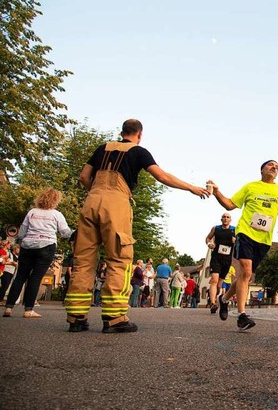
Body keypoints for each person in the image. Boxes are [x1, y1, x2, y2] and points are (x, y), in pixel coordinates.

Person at [64, 119, 209, 333]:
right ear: (139, 134)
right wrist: (191, 188)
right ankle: (114, 317)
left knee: (83, 260)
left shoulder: (102, 148)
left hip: (91, 201)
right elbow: (161, 176)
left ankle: (76, 317)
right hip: (116, 203)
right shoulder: (139, 151)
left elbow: (85, 176)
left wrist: (95, 195)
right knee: (118, 260)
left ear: (122, 132)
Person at [208, 159, 278, 331]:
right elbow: (230, 204)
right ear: (261, 170)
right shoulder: (250, 186)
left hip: (264, 240)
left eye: (277, 166)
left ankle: (223, 300)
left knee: (244, 278)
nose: (274, 167)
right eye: (270, 165)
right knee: (245, 272)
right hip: (245, 233)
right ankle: (242, 316)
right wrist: (217, 192)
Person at [3, 188, 73, 318]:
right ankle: (28, 309)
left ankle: (9, 307)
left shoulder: (32, 212)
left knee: (20, 277)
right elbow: (65, 233)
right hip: (46, 246)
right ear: (55, 200)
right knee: (35, 278)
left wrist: (22, 241)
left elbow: (22, 232)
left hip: (28, 246)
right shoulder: (56, 214)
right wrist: (75, 233)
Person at [205, 213, 236, 314]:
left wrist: (236, 241)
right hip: (216, 258)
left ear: (230, 220)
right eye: (224, 217)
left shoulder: (234, 230)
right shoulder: (216, 228)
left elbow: (240, 242)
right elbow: (208, 238)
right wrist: (210, 244)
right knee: (214, 280)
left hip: (227, 260)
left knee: (219, 284)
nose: (225, 219)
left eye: (228, 217)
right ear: (221, 219)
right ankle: (213, 303)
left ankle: (215, 298)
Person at [0, 241, 19, 305]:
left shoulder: (16, 256)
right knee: (5, 285)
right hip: (6, 270)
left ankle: (1, 299)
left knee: (6, 285)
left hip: (11, 272)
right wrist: (13, 263)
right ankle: (0, 300)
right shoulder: (8, 253)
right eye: (8, 244)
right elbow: (3, 261)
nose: (9, 246)